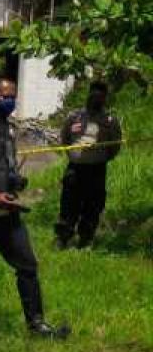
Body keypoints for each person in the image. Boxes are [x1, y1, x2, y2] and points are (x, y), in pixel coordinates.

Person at [0, 78, 68, 339]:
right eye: (5, 95)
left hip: (8, 214)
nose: (10, 101)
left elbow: (6, 165)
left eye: (13, 96)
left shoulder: (8, 131)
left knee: (28, 266)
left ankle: (37, 323)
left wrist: (15, 181)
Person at [55, 81, 122, 249]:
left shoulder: (110, 120)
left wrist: (101, 157)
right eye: (94, 94)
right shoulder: (74, 117)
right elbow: (64, 138)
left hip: (97, 169)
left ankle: (85, 239)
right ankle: (63, 237)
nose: (96, 98)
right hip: (75, 168)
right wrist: (73, 155)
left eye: (100, 95)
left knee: (93, 205)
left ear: (105, 98)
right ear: (89, 94)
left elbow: (115, 146)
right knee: (69, 203)